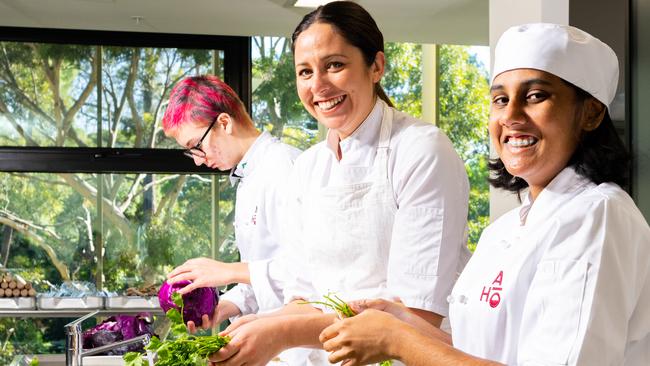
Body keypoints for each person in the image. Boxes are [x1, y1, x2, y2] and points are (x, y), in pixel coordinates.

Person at [318, 23, 650, 366]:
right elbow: (479, 352)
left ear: (591, 112)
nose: (511, 116)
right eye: (500, 100)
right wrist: (400, 321)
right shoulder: (504, 231)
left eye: (535, 96)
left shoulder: (597, 216)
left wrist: (397, 341)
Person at [208, 2, 469, 365]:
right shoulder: (309, 167)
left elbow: (418, 316)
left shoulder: (421, 149)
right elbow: (303, 296)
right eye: (304, 71)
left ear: (376, 66)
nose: (318, 86)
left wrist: (279, 333)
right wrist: (258, 325)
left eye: (335, 65)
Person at [161, 75, 301, 334]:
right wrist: (220, 308)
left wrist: (228, 271)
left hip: (302, 348)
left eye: (196, 146)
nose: (198, 161)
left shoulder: (286, 169)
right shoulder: (249, 178)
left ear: (224, 123)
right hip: (271, 343)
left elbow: (308, 271)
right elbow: (258, 281)